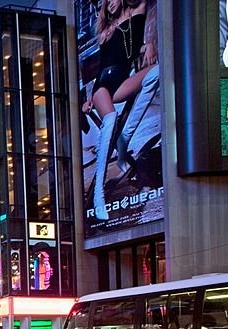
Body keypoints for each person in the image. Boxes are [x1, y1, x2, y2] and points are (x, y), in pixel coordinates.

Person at [82, 0, 156, 221]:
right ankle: (98, 195)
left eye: (111, 0)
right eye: (105, 4)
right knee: (111, 118)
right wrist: (89, 98)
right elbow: (102, 66)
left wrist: (149, 43)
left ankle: (125, 137)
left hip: (122, 82)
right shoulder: (106, 31)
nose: (109, 6)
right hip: (102, 87)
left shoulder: (138, 13)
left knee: (157, 73)